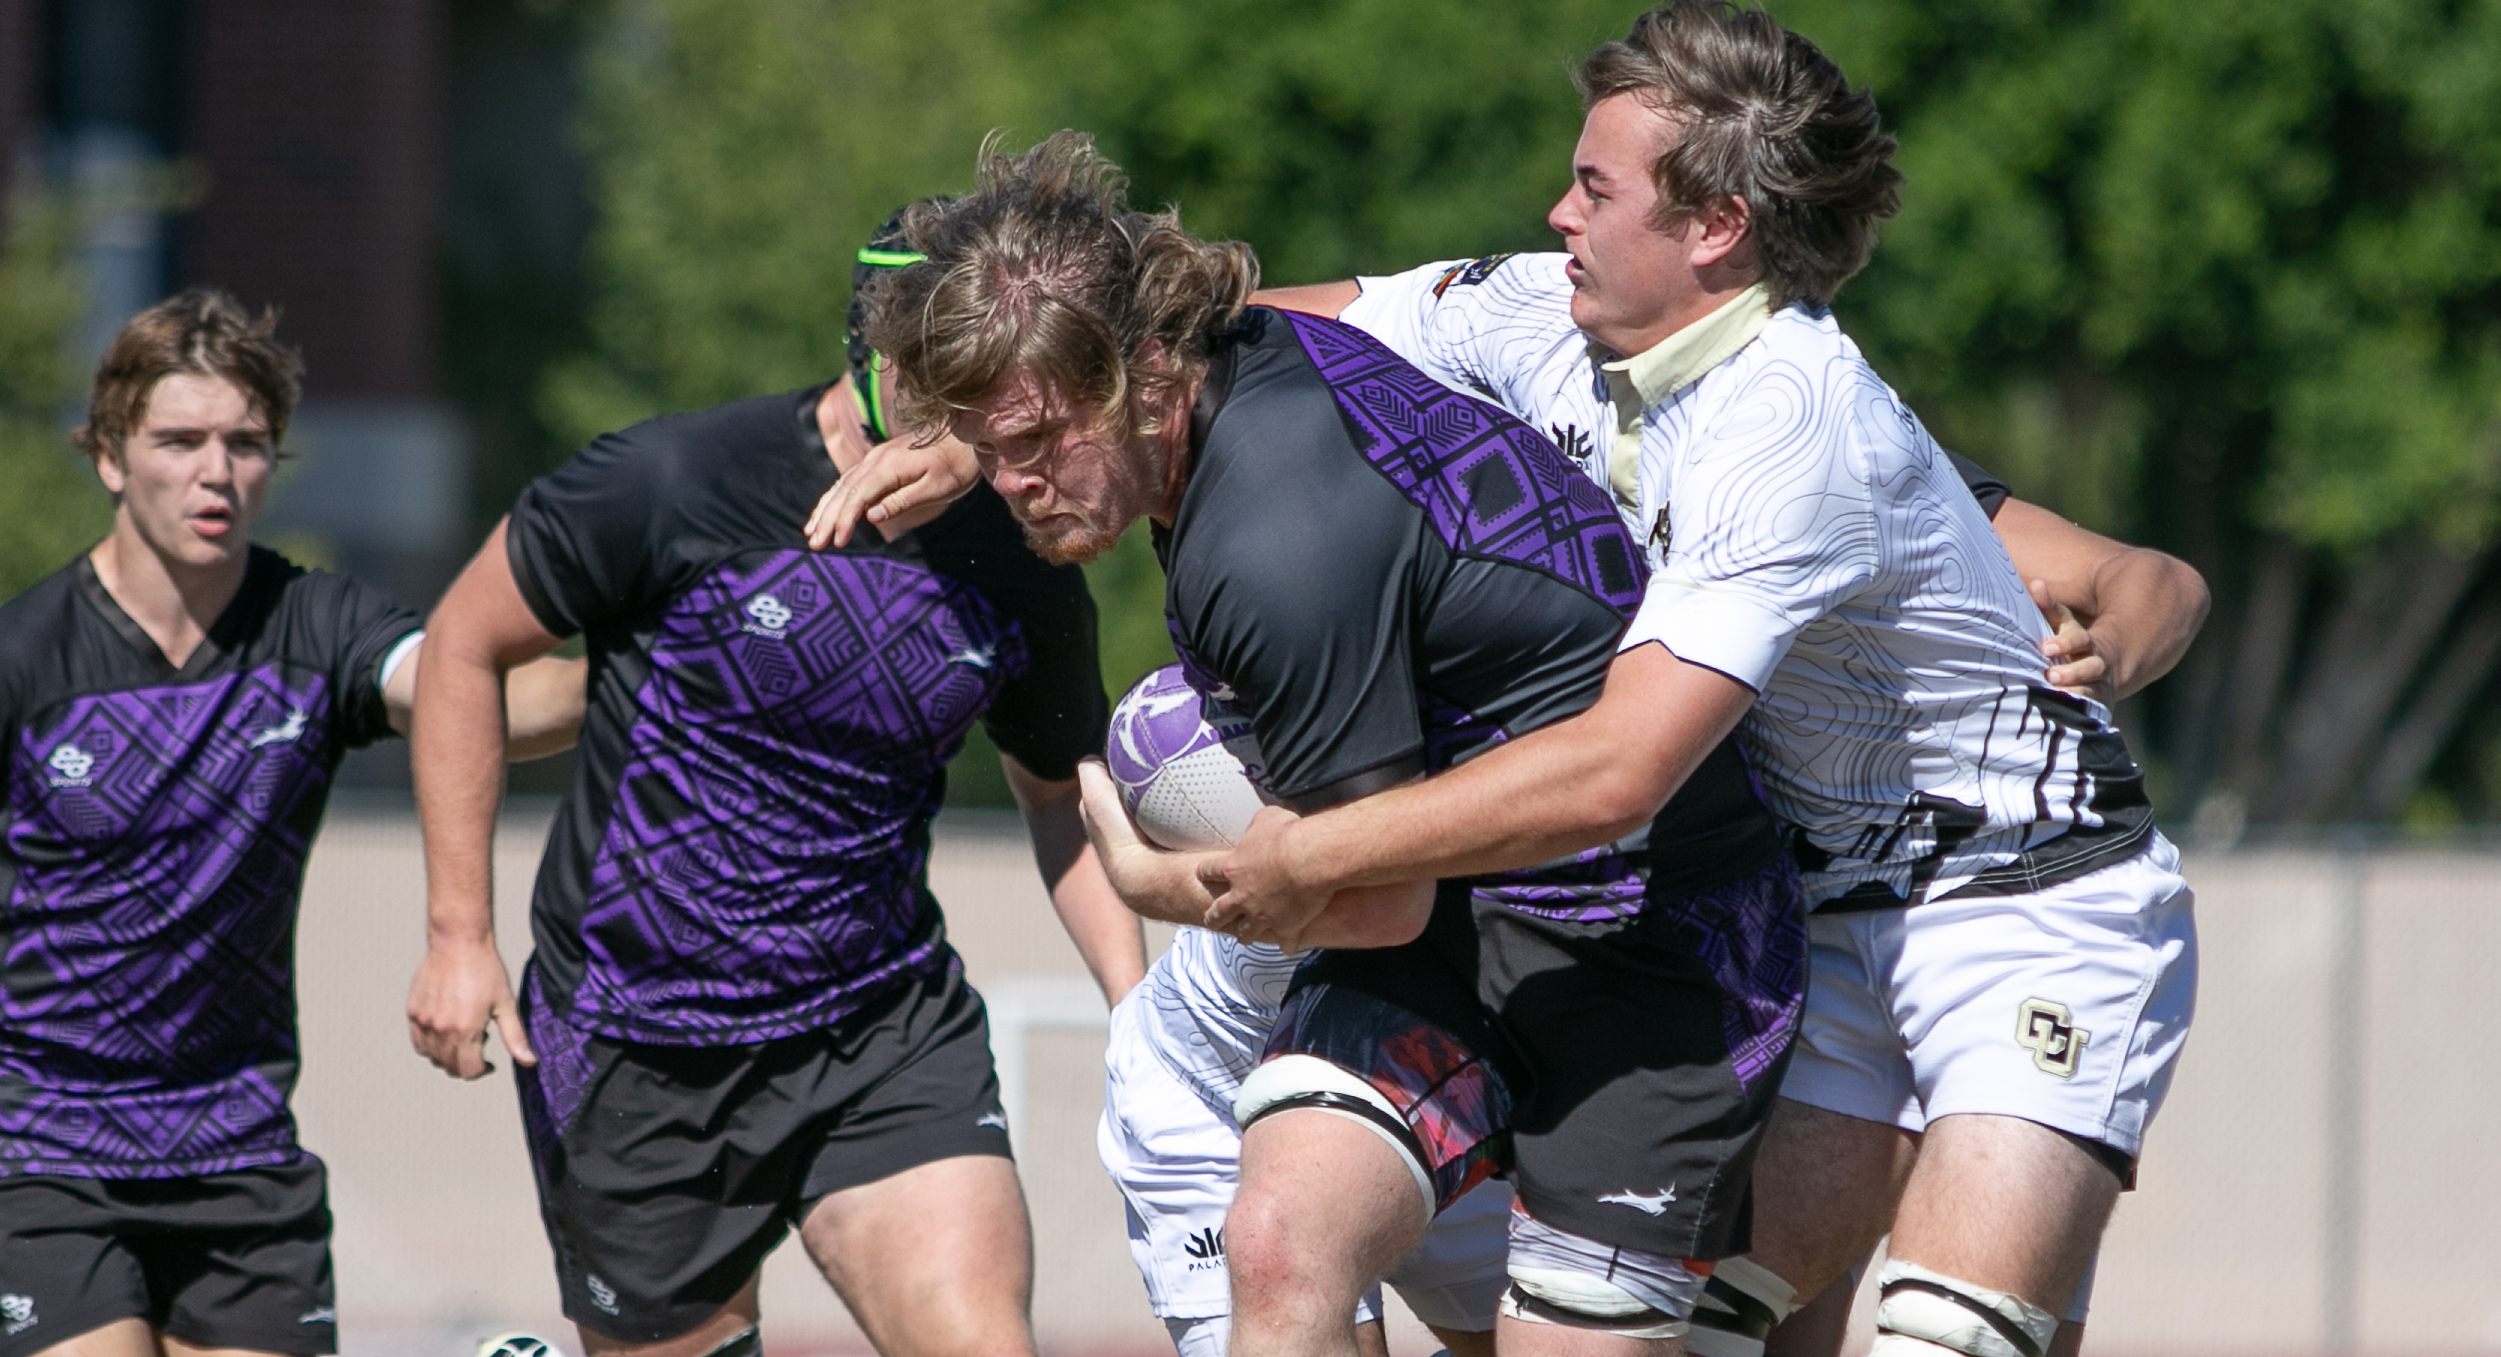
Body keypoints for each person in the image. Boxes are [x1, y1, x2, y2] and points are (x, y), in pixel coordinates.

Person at [1204, 8, 2205, 1357]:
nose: (1558, 211)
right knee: (1723, 1333)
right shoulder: (1537, 317)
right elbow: (1268, 334)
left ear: (1716, 225)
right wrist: (1032, 392)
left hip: (2028, 905)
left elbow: (1617, 772)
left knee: (1948, 1336)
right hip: (1812, 922)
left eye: (1595, 188)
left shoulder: (1790, 427)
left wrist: (1313, 852)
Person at [862, 130, 1807, 1357]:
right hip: (1466, 915)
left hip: (1652, 944)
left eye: (1037, 444)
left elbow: (1373, 904)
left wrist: (1162, 888)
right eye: (994, 454)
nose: (1014, 485)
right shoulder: (1238, 346)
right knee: (1279, 1241)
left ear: (1144, 374)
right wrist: (973, 424)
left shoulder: (1267, 541)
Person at [404, 208, 1140, 1357]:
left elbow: (1055, 796)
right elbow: (461, 644)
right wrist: (459, 931)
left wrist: (1134, 1004)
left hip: (879, 1027)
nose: (976, 420)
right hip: (636, 1041)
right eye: (946, 379)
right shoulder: (676, 480)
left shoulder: (1018, 547)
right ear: (878, 353)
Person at [0, 288, 581, 1357]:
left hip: (239, 1152)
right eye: (179, 440)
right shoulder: (26, 658)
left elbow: (486, 699)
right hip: (38, 1154)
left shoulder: (313, 627)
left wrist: (670, 648)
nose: (216, 472)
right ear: (111, 457)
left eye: (246, 443)